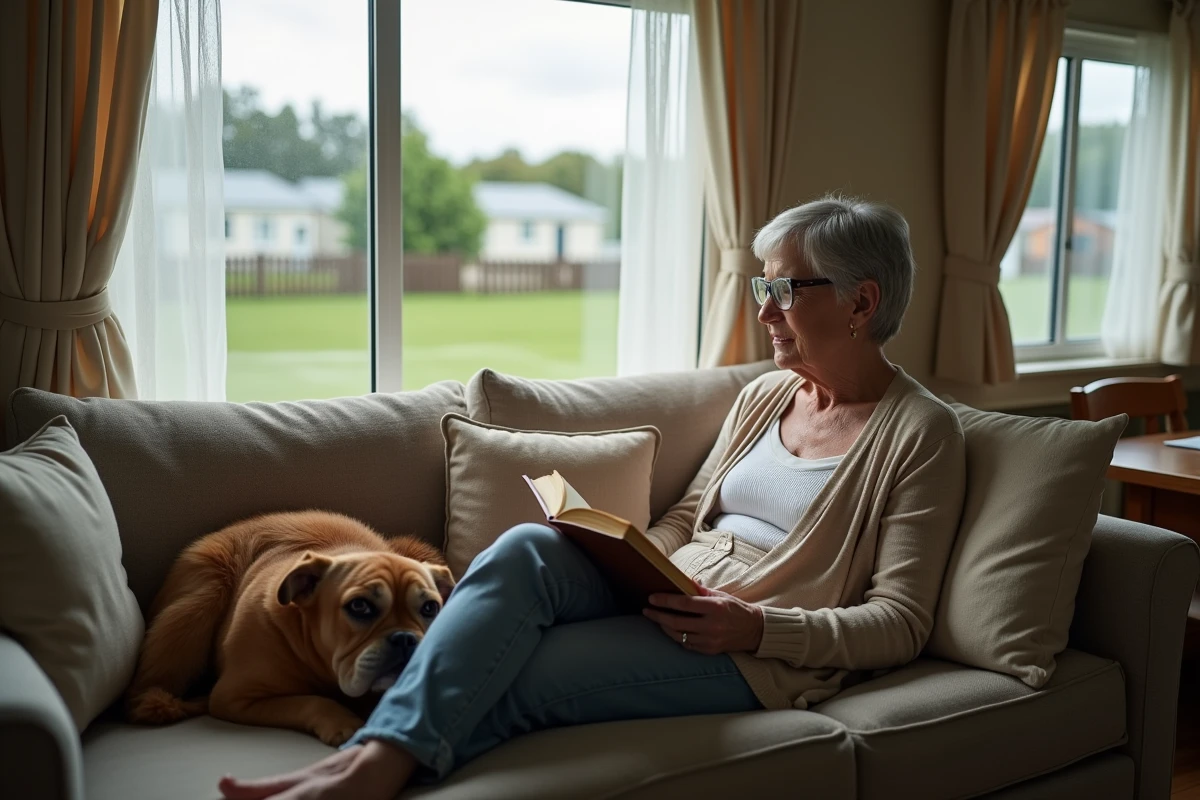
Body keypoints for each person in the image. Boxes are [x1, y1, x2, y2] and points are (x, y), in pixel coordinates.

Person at [218, 195, 967, 800]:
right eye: (760, 287)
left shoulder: (922, 434)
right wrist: (631, 558)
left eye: (783, 288)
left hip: (751, 651)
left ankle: (360, 770)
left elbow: (899, 621)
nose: (765, 309)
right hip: (669, 593)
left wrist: (754, 628)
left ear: (861, 303)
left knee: (525, 673)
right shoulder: (767, 394)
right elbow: (687, 516)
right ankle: (364, 768)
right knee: (528, 548)